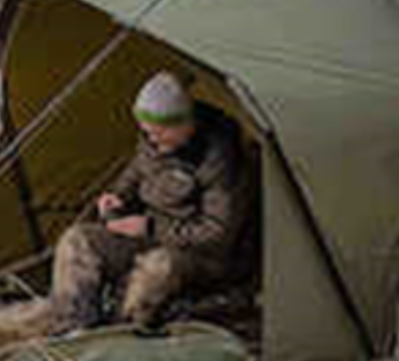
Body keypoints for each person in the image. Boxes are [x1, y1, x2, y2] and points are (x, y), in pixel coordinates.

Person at [50, 71, 256, 336]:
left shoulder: (219, 158)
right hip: (152, 236)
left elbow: (217, 233)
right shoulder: (153, 141)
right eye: (146, 133)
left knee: (156, 268)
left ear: (183, 124)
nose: (152, 141)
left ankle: (120, 335)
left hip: (201, 256)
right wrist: (117, 197)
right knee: (77, 240)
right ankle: (73, 329)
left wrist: (149, 227)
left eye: (158, 134)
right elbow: (134, 174)